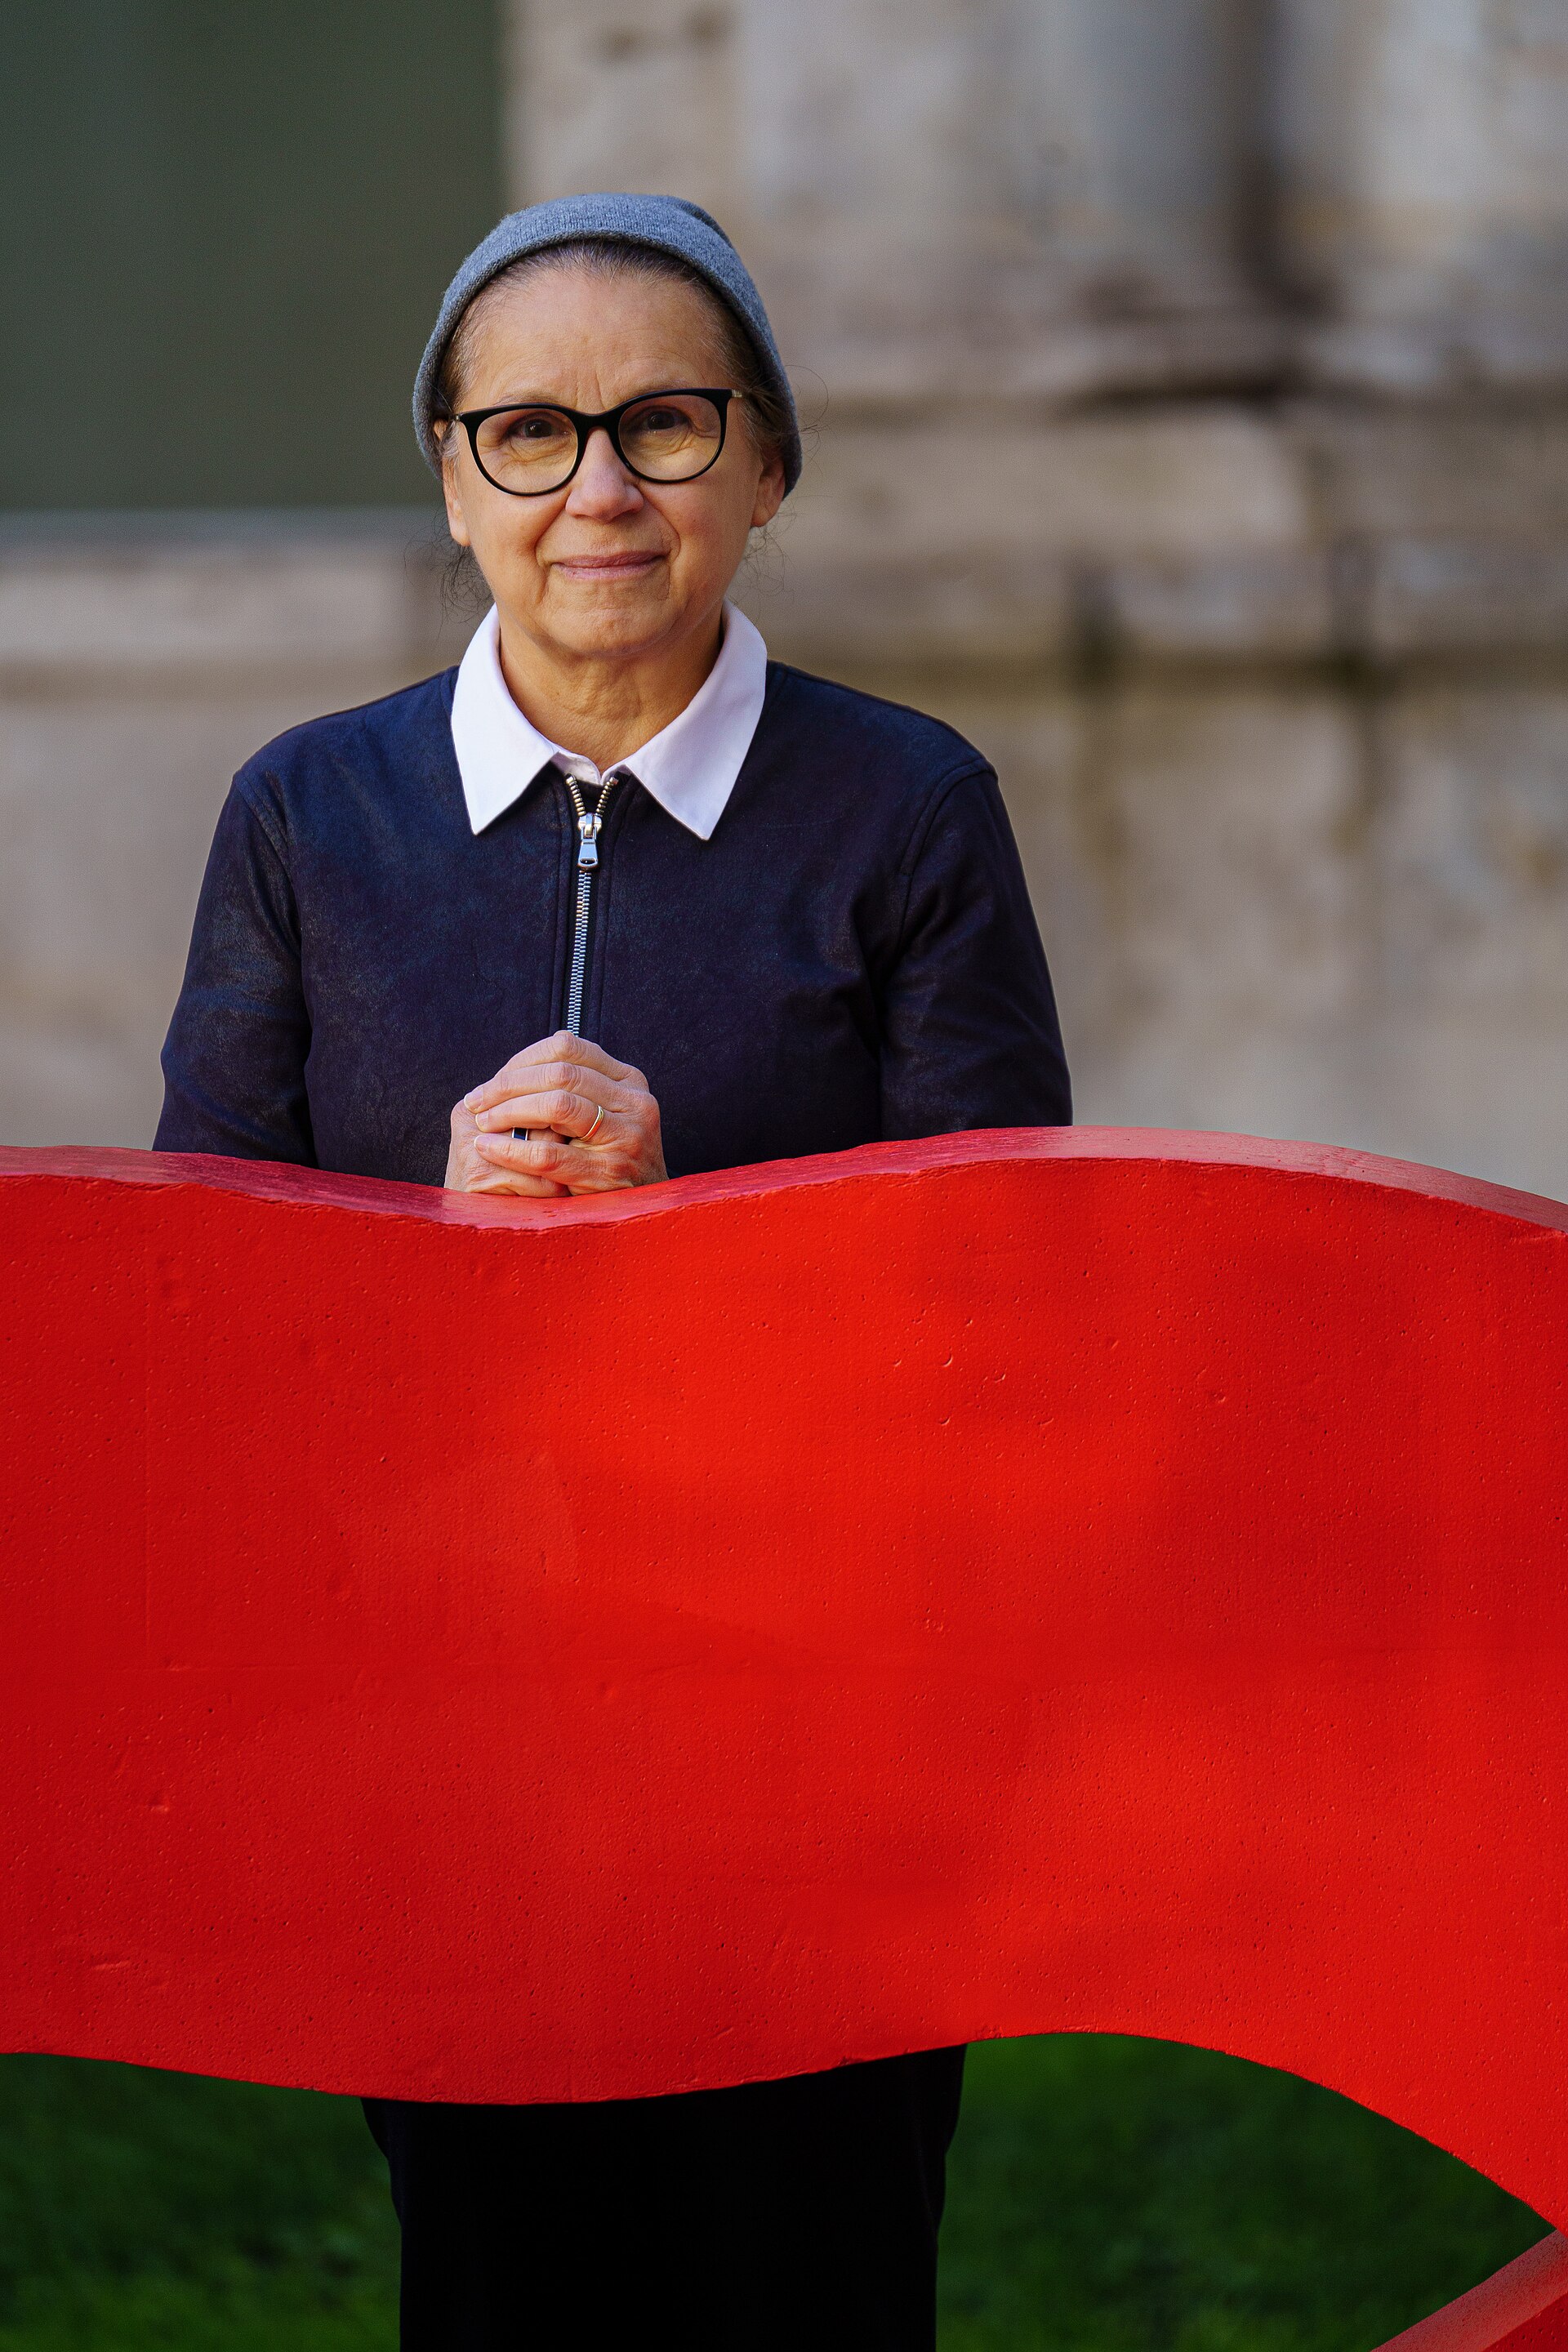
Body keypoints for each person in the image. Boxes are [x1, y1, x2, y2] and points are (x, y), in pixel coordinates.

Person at [156, 190, 1071, 2351]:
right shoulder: (308, 817)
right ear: (452, 476)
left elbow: (1017, 1293)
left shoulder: (911, 809)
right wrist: (421, 1247)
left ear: (765, 465)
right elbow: (202, 1295)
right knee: (503, 2279)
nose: (599, 491)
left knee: (812, 2272)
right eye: (530, 433)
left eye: (664, 424)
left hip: (817, 1723)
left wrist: (703, 1223)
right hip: (452, 1723)